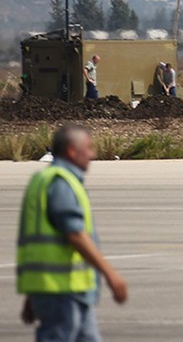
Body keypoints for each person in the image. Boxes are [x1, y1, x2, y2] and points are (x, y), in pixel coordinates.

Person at [17, 124, 128, 341]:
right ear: (71, 151)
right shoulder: (61, 183)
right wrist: (111, 275)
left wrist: (33, 295)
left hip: (66, 291)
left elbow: (40, 247)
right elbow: (74, 234)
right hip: (62, 291)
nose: (92, 154)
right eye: (88, 148)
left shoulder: (43, 180)